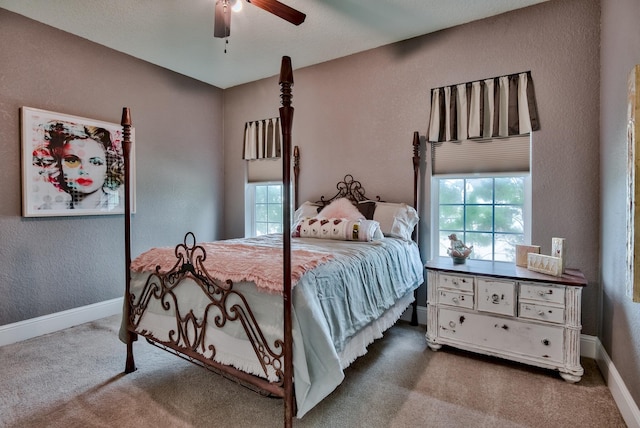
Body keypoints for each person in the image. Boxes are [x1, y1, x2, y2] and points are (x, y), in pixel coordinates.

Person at [37, 121, 124, 210]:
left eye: (95, 162)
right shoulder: (50, 209)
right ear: (58, 166)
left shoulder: (122, 206)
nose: (84, 170)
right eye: (72, 161)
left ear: (108, 169)